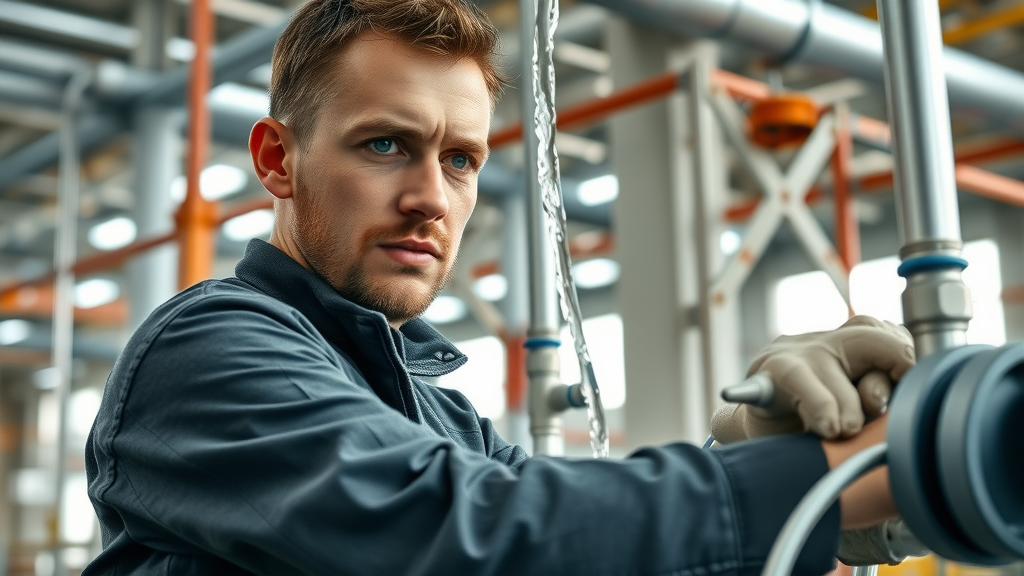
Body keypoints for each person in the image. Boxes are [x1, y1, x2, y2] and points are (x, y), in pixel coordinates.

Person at [83, 1, 915, 574]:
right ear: (277, 160)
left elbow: (565, 532)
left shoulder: (438, 411)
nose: (431, 199)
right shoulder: (207, 349)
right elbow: (466, 538)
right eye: (383, 145)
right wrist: (840, 470)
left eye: (460, 160)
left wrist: (757, 451)